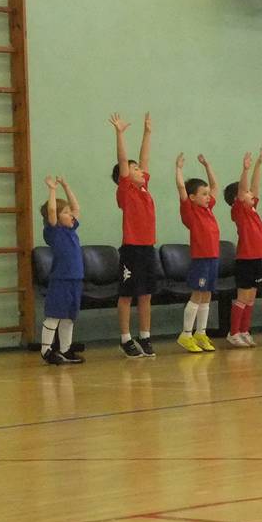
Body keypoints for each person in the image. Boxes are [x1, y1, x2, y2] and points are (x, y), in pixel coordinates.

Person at [109, 112, 156, 358]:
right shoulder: (126, 190)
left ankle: (145, 336)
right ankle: (125, 338)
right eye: (134, 168)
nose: (139, 170)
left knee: (146, 294)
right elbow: (122, 159)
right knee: (127, 295)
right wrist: (120, 134)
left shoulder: (143, 188)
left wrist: (147, 133)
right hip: (131, 249)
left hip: (148, 248)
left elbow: (145, 159)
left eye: (138, 169)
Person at [175, 153, 219, 353]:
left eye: (208, 194)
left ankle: (201, 333)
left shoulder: (207, 209)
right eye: (204, 194)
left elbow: (215, 186)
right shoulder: (190, 210)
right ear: (193, 197)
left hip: (213, 258)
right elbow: (181, 188)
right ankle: (186, 334)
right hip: (200, 259)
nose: (208, 196)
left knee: (207, 295)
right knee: (197, 294)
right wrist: (179, 169)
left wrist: (207, 165)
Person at [223, 149, 262, 347]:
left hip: (257, 258)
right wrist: (245, 169)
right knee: (243, 297)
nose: (251, 194)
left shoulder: (252, 209)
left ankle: (244, 331)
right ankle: (233, 333)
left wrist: (258, 165)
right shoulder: (238, 210)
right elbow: (243, 190)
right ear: (237, 199)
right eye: (247, 193)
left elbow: (255, 188)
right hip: (245, 259)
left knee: (251, 298)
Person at [40, 175, 84, 365]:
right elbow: (51, 210)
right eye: (66, 213)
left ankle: (65, 350)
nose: (71, 215)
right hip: (61, 279)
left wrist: (66, 186)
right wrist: (53, 189)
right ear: (57, 218)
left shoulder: (71, 230)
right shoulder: (54, 231)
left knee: (69, 317)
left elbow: (76, 208)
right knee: (55, 315)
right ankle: (46, 350)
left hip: (76, 279)